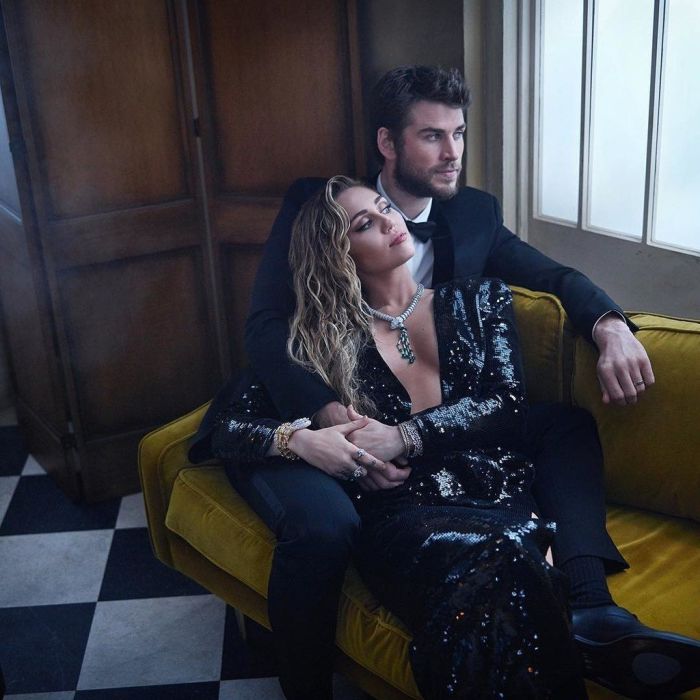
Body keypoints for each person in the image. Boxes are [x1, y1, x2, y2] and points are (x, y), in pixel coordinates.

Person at [215, 66, 699, 699]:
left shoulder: (473, 227)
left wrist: (609, 325)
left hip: (445, 435)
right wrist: (325, 416)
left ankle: (592, 611)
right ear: (388, 144)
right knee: (330, 529)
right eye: (432, 136)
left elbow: (551, 278)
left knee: (562, 431)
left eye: (459, 134)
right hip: (344, 423)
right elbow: (266, 329)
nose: (453, 153)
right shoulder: (322, 212)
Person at [199, 176, 589, 698]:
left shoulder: (480, 299)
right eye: (366, 224)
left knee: (512, 560)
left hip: (497, 495)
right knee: (510, 559)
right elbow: (226, 427)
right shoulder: (319, 343)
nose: (390, 221)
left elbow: (507, 406)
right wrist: (301, 440)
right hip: (405, 520)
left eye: (385, 208)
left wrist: (404, 435)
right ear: (339, 255)